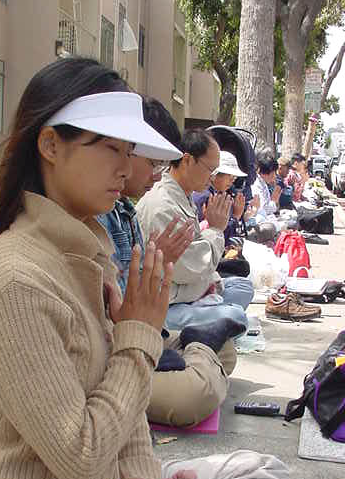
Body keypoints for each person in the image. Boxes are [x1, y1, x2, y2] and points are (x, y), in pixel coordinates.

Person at [0, 57, 289, 479]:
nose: (127, 169)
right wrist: (140, 336)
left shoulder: (87, 251)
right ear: (50, 144)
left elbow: (120, 404)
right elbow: (81, 455)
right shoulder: (15, 280)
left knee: (264, 472)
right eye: (111, 149)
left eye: (131, 152)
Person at [98, 97, 237, 427]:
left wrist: (153, 269)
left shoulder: (123, 210)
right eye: (152, 162)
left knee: (228, 348)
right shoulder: (152, 205)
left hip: (144, 332)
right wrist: (215, 232)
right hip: (119, 350)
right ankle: (199, 353)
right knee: (194, 393)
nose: (157, 175)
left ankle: (198, 353)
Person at [136, 129, 254, 331]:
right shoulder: (162, 206)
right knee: (236, 316)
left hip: (192, 291)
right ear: (187, 160)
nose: (212, 178)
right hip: (167, 305)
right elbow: (191, 270)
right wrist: (216, 229)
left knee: (243, 287)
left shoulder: (183, 195)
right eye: (210, 170)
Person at [192, 151, 249, 244]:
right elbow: (217, 233)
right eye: (230, 176)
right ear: (215, 175)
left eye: (234, 177)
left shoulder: (218, 194)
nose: (232, 180)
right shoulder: (205, 197)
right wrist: (236, 216)